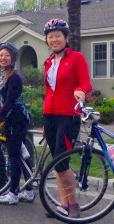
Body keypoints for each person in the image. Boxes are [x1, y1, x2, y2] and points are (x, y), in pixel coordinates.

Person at [41, 19, 92, 217]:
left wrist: (80, 91)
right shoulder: (48, 62)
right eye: (50, 36)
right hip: (50, 116)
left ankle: (74, 205)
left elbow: (86, 83)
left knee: (62, 162)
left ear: (66, 37)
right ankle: (63, 205)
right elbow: (48, 90)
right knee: (56, 161)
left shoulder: (76, 58)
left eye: (58, 35)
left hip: (68, 116)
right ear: (46, 40)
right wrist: (45, 123)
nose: (54, 39)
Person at [0, 43, 33, 205]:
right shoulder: (4, 74)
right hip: (13, 119)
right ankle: (29, 190)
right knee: (21, 154)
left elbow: (10, 103)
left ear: (13, 58)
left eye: (7, 55)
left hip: (16, 119)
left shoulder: (14, 77)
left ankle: (13, 193)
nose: (3, 58)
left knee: (14, 156)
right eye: (1, 55)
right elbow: (0, 98)